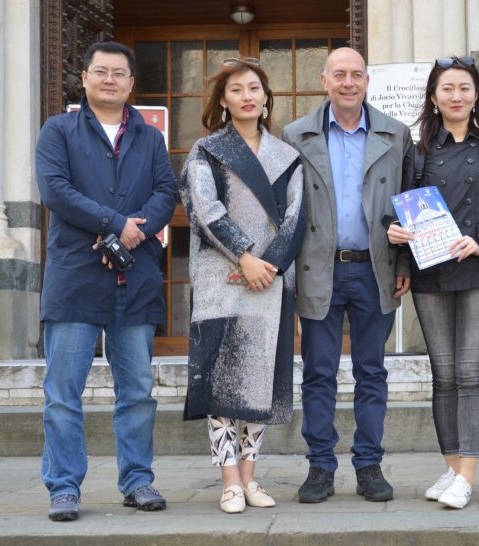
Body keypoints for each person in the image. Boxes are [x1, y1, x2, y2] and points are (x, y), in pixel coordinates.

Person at [35, 41, 176, 521]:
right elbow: (56, 190)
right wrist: (116, 223)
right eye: (101, 71)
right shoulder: (59, 131)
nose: (110, 79)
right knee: (63, 391)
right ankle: (64, 486)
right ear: (85, 78)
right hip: (75, 277)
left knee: (136, 388)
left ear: (132, 83)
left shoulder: (149, 137)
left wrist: (136, 229)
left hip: (134, 278)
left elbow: (165, 190)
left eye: (119, 73)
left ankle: (138, 480)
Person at [387, 56, 479, 509]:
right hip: (430, 273)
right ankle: (450, 468)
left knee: (469, 372)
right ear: (433, 98)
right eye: (447, 89)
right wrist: (399, 245)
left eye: (464, 88)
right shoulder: (419, 151)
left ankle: (468, 473)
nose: (456, 96)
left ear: (476, 95)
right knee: (442, 376)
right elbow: (401, 210)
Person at [281, 47, 412, 504]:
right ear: (324, 80)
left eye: (356, 74)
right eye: (340, 74)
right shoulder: (295, 135)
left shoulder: (396, 135)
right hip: (320, 270)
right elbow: (285, 212)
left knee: (371, 372)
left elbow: (409, 204)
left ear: (368, 81)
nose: (348, 82)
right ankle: (320, 467)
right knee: (318, 373)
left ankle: (369, 465)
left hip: (375, 268)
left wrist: (404, 265)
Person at [178, 57, 305, 514]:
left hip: (268, 280)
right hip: (222, 277)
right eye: (237, 90)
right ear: (223, 101)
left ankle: (251, 477)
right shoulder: (207, 151)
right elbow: (204, 210)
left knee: (259, 382)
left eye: (255, 88)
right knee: (222, 382)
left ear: (266, 97)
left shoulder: (287, 157)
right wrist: (245, 257)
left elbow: (296, 217)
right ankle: (228, 479)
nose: (247, 96)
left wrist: (266, 265)